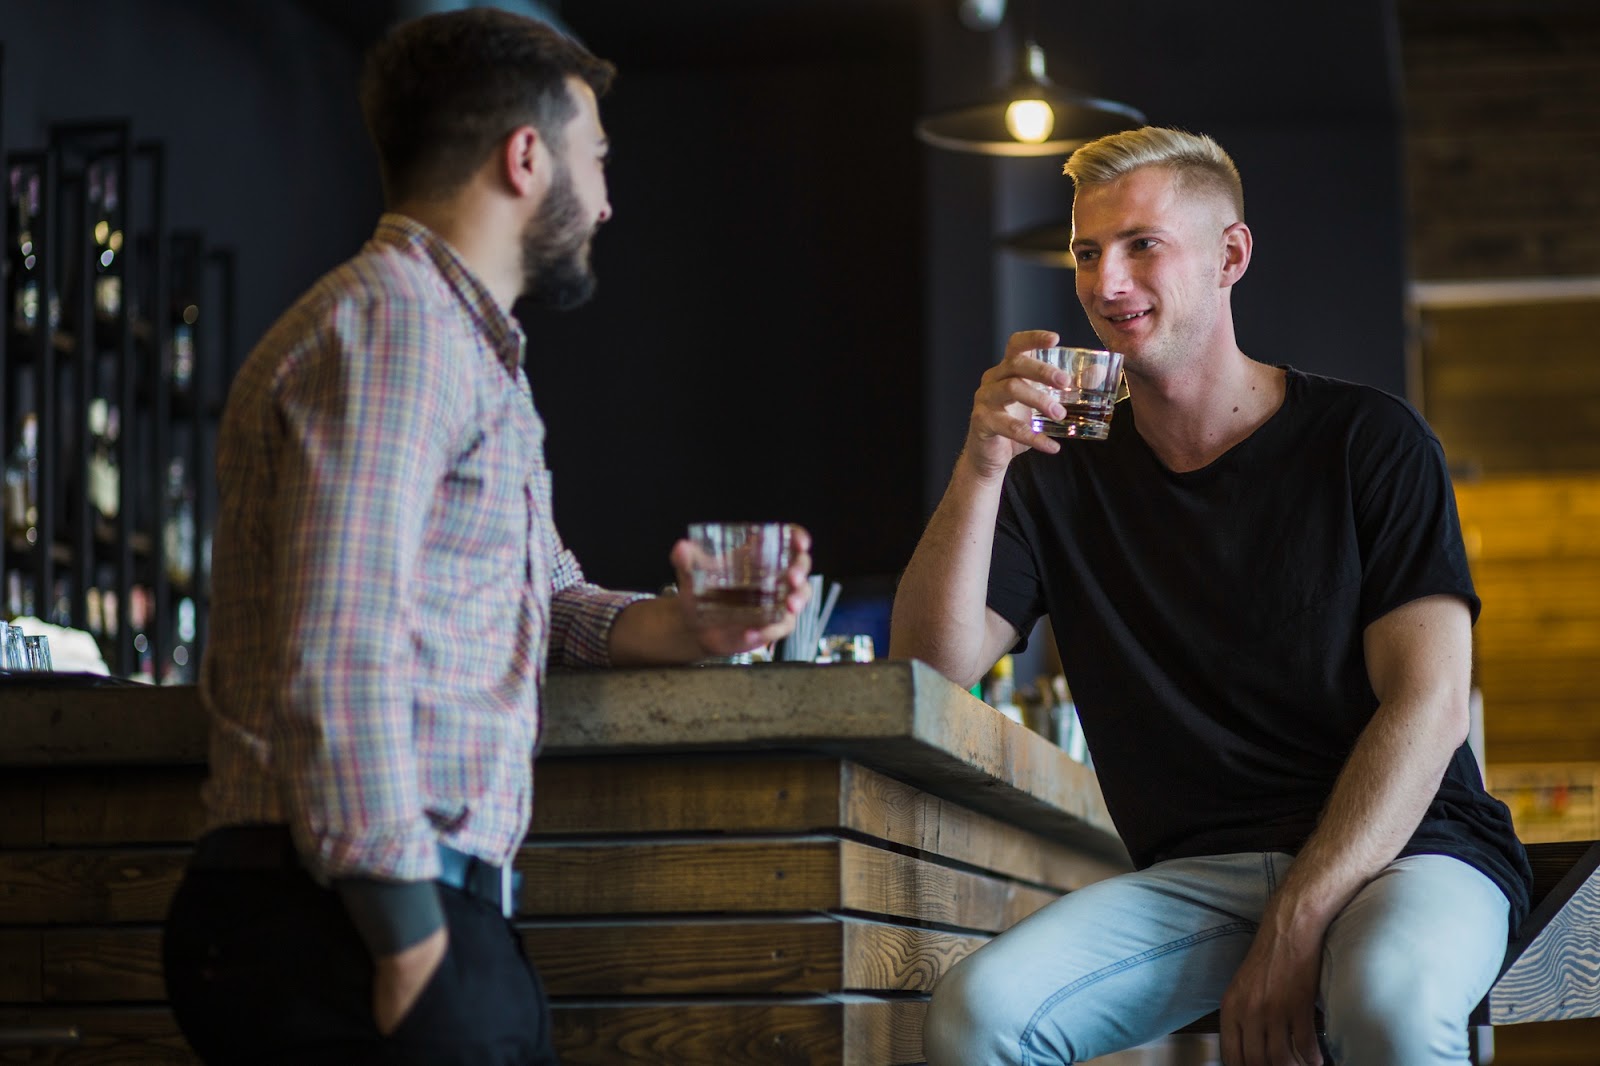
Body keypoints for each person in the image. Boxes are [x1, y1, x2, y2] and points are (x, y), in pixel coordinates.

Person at [160, 10, 811, 1065]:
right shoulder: (401, 329)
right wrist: (411, 943)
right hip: (351, 916)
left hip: (383, 912)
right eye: (595, 160)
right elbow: (342, 645)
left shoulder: (458, 347)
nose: (607, 198)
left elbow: (543, 599)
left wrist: (684, 628)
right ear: (525, 158)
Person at [891, 126, 1529, 1066]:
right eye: (1085, 252)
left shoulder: (1370, 441)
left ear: (1232, 255)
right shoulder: (1051, 473)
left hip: (1411, 850)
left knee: (1386, 1000)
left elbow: (1431, 707)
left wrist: (1298, 922)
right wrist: (983, 464)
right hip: (1203, 878)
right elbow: (931, 670)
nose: (1105, 283)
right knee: (976, 1016)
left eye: (1141, 244)